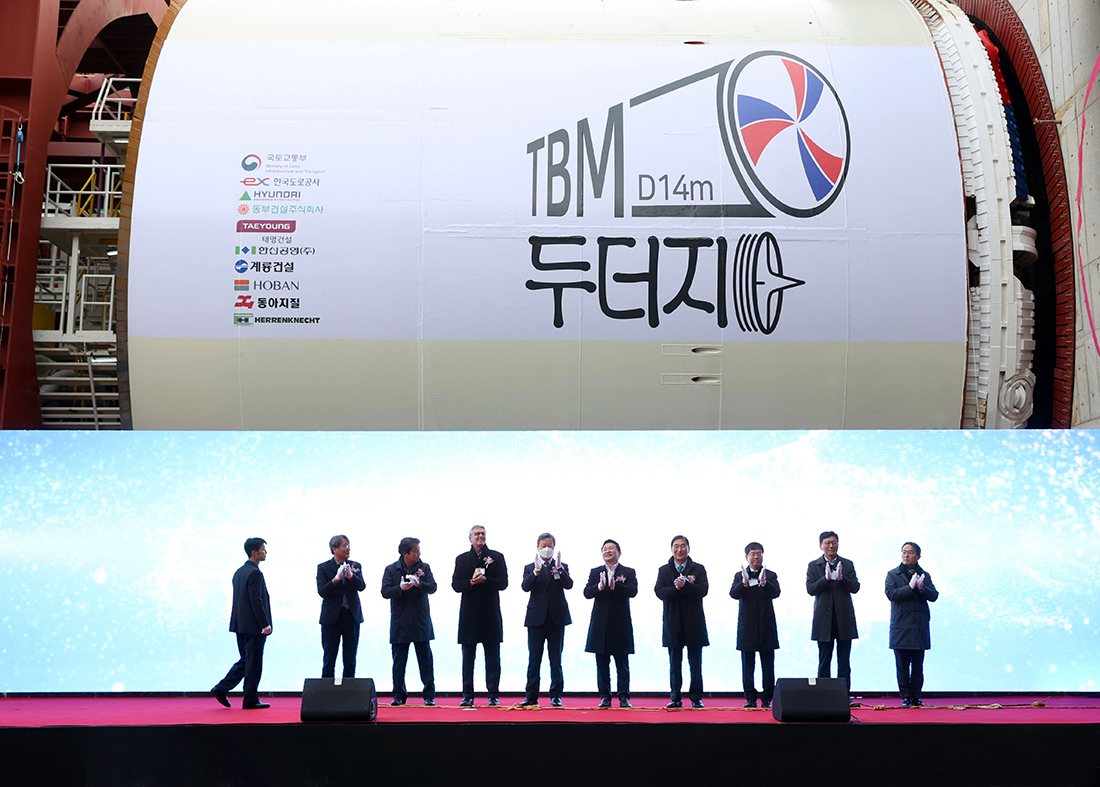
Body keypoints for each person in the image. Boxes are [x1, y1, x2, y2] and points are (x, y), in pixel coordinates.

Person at [211, 537, 272, 709]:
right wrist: (264, 624)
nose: (265, 552)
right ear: (254, 553)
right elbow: (256, 601)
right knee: (253, 663)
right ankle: (250, 699)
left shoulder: (239, 572)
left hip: (240, 625)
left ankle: (222, 688)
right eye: (263, 549)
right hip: (254, 627)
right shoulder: (255, 573)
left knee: (246, 660)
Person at [452, 524, 508, 706]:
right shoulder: (461, 559)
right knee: (468, 657)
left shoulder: (496, 557)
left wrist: (486, 580)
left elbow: (503, 583)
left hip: (490, 613)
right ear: (470, 538)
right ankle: (467, 695)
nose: (480, 536)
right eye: (476, 534)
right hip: (469, 614)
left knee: (493, 656)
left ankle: (493, 695)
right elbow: (455, 585)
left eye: (483, 534)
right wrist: (471, 582)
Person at [654, 535, 709, 708]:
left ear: (688, 548)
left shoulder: (698, 569)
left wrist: (687, 585)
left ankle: (696, 698)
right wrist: (676, 588)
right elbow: (659, 592)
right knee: (674, 664)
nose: (679, 549)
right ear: (672, 549)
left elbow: (703, 590)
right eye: (676, 546)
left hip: (694, 622)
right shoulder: (664, 570)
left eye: (683, 546)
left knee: (695, 663)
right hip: (673, 623)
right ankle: (675, 697)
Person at [381, 537, 437, 706]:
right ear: (405, 553)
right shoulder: (391, 569)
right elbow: (384, 591)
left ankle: (429, 695)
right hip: (400, 622)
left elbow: (433, 587)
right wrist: (400, 588)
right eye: (415, 551)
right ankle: (398, 695)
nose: (418, 554)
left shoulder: (424, 567)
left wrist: (419, 584)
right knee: (399, 661)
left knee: (425, 660)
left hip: (420, 620)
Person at [806, 530, 860, 705]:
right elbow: (810, 589)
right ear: (821, 545)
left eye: (834, 542)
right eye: (827, 542)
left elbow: (855, 587)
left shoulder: (847, 564)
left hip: (844, 619)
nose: (831, 545)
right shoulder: (814, 565)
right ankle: (823, 696)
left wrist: (841, 578)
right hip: (824, 621)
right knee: (824, 660)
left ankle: (844, 696)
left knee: (844, 661)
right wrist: (825, 579)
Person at [519, 532, 573, 707]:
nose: (547, 548)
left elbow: (569, 584)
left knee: (555, 659)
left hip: (557, 618)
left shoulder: (561, 565)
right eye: (543, 545)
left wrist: (560, 569)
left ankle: (556, 695)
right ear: (537, 547)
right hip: (536, 619)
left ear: (554, 547)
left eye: (550, 545)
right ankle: (531, 696)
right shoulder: (529, 567)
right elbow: (525, 587)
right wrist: (535, 572)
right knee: (534, 659)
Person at [583, 538, 637, 708]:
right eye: (605, 549)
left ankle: (623, 697)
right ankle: (605, 697)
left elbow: (633, 591)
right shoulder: (595, 572)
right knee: (602, 663)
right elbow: (586, 592)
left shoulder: (628, 572)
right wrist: (599, 587)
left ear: (619, 553)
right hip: (600, 625)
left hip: (620, 624)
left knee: (622, 663)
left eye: (611, 548)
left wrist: (616, 586)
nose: (608, 551)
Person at [885, 541, 939, 707]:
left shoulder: (925, 575)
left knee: (917, 665)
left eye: (910, 552)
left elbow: (934, 596)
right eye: (904, 552)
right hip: (901, 626)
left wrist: (922, 588)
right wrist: (909, 588)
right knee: (902, 665)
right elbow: (891, 594)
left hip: (919, 626)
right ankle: (906, 697)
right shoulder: (893, 574)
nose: (906, 555)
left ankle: (916, 696)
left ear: (918, 556)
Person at [729, 541, 781, 708]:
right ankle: (750, 698)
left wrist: (765, 583)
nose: (756, 557)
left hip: (766, 626)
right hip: (747, 627)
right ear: (747, 557)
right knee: (747, 665)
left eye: (759, 553)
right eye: (752, 554)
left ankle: (767, 698)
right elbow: (733, 594)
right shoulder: (739, 575)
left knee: (768, 665)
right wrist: (743, 583)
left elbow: (776, 593)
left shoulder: (770, 575)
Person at [316, 534, 365, 679]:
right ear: (334, 549)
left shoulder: (355, 566)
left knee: (350, 659)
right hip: (331, 619)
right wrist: (336, 579)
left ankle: (349, 693)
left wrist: (351, 576)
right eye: (345, 545)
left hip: (351, 617)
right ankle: (327, 693)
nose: (348, 549)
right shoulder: (323, 568)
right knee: (329, 658)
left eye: (348, 545)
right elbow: (322, 591)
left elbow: (362, 586)